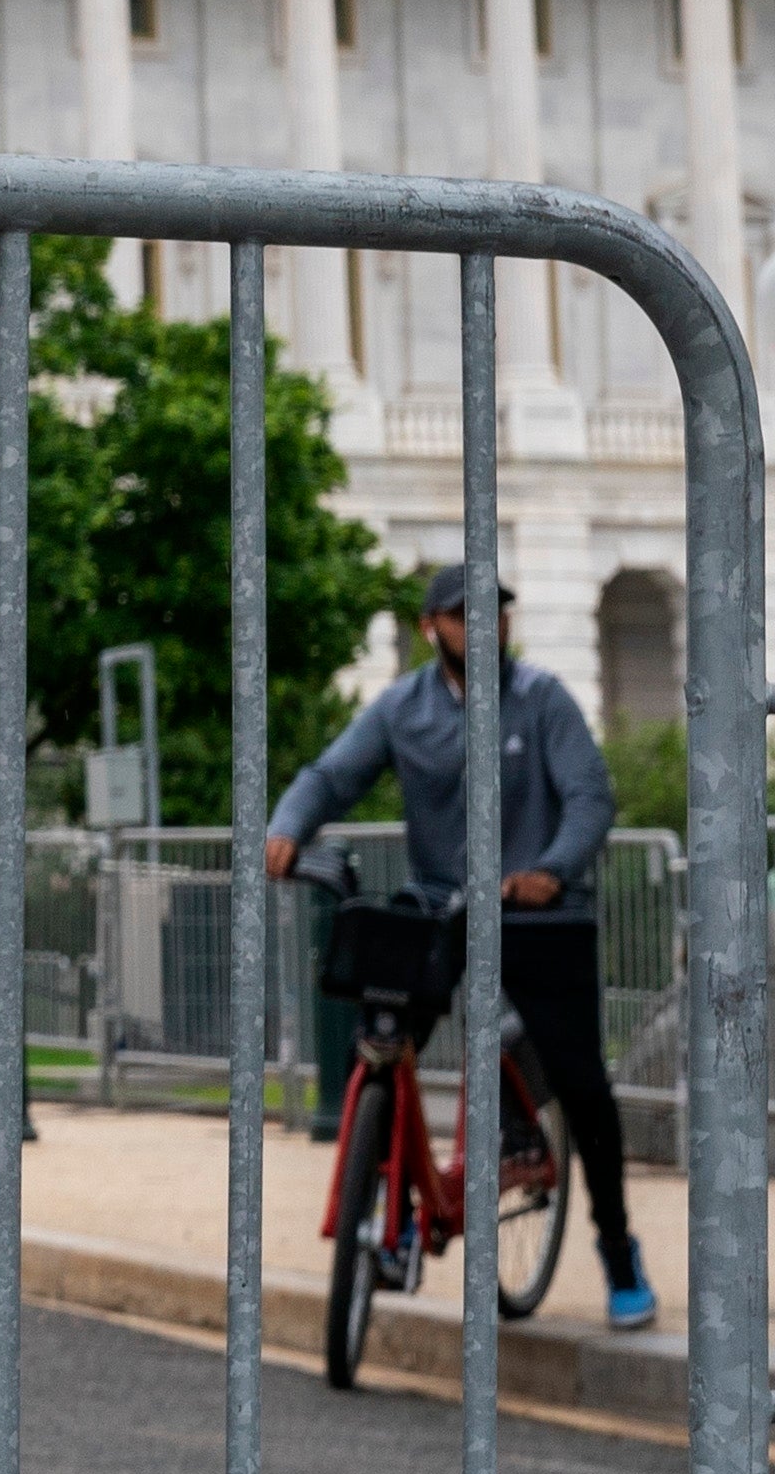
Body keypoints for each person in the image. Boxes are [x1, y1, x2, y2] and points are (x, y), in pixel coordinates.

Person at [264, 561, 650, 1328]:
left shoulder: (541, 700)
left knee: (582, 1083)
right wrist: (286, 825)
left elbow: (590, 795)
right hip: (443, 905)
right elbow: (331, 775)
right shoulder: (402, 708)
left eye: (494, 611)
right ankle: (384, 1217)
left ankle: (617, 1248)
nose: (483, 625)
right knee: (376, 1039)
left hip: (536, 910)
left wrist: (551, 869)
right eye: (462, 614)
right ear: (429, 627)